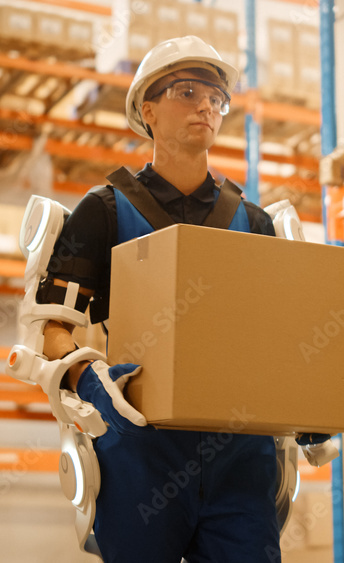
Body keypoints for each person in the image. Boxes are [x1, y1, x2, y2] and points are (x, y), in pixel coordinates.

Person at [37, 36, 283, 563]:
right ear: (148, 110)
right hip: (140, 446)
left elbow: (283, 330)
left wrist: (302, 398)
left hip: (240, 451)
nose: (206, 106)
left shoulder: (256, 224)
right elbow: (54, 329)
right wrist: (92, 382)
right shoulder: (102, 212)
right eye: (188, 91)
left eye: (217, 98)